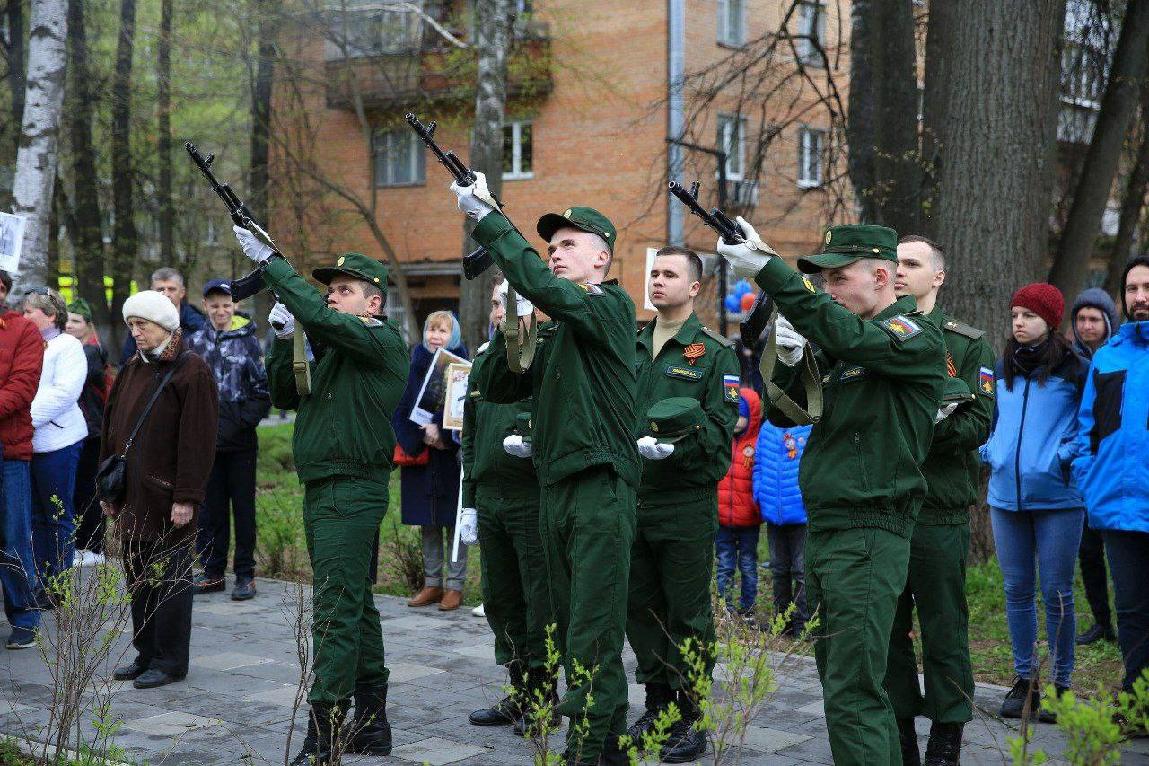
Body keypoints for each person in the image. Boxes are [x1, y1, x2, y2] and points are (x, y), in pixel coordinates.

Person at [718, 222, 946, 764]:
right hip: (831, 527)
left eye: (838, 279)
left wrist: (771, 271)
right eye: (823, 283)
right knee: (844, 684)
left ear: (884, 276)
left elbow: (853, 340)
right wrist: (792, 363)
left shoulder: (912, 334)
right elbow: (783, 414)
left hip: (870, 529)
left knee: (853, 691)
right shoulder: (849, 341)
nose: (829, 291)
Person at [455, 177, 638, 766]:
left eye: (567, 243)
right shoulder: (559, 322)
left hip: (598, 487)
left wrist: (491, 221)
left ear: (601, 257)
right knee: (567, 623)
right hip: (555, 489)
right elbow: (501, 384)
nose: (555, 251)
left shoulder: (608, 306)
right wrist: (517, 325)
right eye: (551, 245)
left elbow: (551, 290)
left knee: (591, 630)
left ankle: (586, 751)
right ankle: (604, 747)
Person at [234, 226, 409, 766]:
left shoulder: (380, 340)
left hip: (351, 488)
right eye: (329, 289)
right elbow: (286, 394)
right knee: (354, 604)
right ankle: (372, 723)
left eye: (344, 289)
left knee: (332, 610)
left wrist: (275, 269)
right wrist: (283, 338)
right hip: (325, 486)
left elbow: (327, 321)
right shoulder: (333, 347)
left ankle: (324, 733)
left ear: (372, 301)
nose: (332, 295)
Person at [884, 236, 995, 766]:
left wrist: (928, 425)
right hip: (884, 505)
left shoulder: (967, 344)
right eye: (895, 263)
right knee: (886, 627)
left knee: (943, 624)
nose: (900, 272)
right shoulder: (877, 336)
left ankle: (947, 733)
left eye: (911, 264)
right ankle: (900, 728)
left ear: (938, 277)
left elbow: (980, 420)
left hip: (937, 506)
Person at [626, 246, 739, 763]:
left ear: (694, 287)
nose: (657, 281)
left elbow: (721, 435)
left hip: (683, 501)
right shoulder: (629, 343)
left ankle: (692, 716)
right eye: (653, 272)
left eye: (669, 274)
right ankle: (656, 706)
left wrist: (679, 448)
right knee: (640, 608)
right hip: (631, 498)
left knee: (687, 613)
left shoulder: (714, 353)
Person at [101, 290, 219, 689]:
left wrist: (187, 496)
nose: (136, 332)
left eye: (143, 325)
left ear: (165, 327)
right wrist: (108, 489)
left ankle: (170, 660)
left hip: (168, 496)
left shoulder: (192, 370)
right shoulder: (132, 366)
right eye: (131, 325)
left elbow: (198, 441)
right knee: (137, 578)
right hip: (131, 495)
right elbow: (111, 430)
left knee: (170, 579)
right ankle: (146, 653)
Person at [981, 282, 1086, 720]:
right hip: (1006, 496)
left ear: (1050, 321)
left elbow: (1088, 426)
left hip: (1059, 498)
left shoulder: (1075, 369)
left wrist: (1060, 459)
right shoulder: (1002, 366)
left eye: (1028, 316)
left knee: (1056, 592)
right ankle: (1026, 681)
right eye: (1015, 315)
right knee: (1016, 590)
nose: (1018, 323)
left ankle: (1061, 684)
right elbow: (988, 418)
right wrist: (991, 453)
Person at [462, 277, 555, 735]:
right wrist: (470, 502)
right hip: (493, 498)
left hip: (532, 497)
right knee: (500, 601)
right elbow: (471, 435)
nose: (500, 311)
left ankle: (544, 696)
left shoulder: (545, 356)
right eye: (497, 303)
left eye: (508, 303)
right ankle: (519, 689)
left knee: (539, 601)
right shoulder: (485, 360)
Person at [1072, 256, 1149, 706]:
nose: (1141, 297)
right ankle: (1138, 702)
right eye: (1133, 289)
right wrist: (1089, 480)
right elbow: (1087, 430)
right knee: (1133, 613)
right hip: (1119, 510)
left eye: (1148, 287)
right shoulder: (1108, 357)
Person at [186, 279, 271, 601]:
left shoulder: (249, 341)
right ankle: (212, 570)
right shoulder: (195, 342)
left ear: (234, 306)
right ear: (205, 306)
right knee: (210, 509)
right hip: (207, 442)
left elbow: (262, 391)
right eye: (214, 305)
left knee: (243, 509)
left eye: (226, 305)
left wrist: (241, 422)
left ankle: (246, 573)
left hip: (240, 442)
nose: (220, 311)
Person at [394, 311, 468, 611]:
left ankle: (455, 585)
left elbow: (467, 407)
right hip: (423, 457)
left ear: (455, 335)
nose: (436, 336)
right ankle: (432, 582)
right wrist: (421, 433)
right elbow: (402, 406)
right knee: (429, 521)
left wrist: (443, 430)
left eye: (443, 331)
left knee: (455, 522)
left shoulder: (462, 365)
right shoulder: (414, 363)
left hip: (451, 458)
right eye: (432, 329)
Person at [23, 288, 87, 593]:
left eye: (28, 311)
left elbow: (64, 393)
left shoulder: (68, 346)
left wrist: (25, 419)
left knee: (58, 513)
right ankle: (41, 581)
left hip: (58, 441)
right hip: (29, 443)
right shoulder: (29, 345)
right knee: (36, 516)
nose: (23, 316)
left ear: (49, 315)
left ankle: (59, 584)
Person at [1068, 287, 1119, 647]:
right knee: (1088, 551)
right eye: (1081, 319)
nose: (1087, 326)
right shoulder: (1067, 361)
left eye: (1094, 319)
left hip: (1116, 469)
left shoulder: (1118, 358)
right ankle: (1102, 620)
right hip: (1084, 470)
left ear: (1107, 322)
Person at [0, 270, 45, 649]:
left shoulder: (24, 332)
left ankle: (25, 616)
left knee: (13, 536)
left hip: (8, 451)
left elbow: (22, 386)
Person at [752, 416, 810, 636]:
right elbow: (757, 464)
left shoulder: (808, 427)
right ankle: (781, 622)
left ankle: (802, 624)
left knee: (801, 570)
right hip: (773, 514)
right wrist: (759, 492)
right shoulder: (767, 428)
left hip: (801, 514)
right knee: (778, 569)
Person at [65, 298, 110, 568]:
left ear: (88, 326)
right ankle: (83, 544)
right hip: (83, 430)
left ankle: (93, 546)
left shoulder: (90, 352)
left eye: (76, 321)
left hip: (92, 431)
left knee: (90, 489)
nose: (70, 325)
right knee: (81, 489)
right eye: (68, 320)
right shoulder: (78, 348)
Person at [717, 387, 765, 618]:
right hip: (723, 518)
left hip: (748, 520)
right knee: (724, 563)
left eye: (741, 415)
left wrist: (758, 508)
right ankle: (723, 606)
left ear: (752, 415)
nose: (735, 421)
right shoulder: (722, 441)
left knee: (747, 564)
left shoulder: (757, 444)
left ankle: (748, 608)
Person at [120, 267, 206, 365]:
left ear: (182, 292)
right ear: (152, 292)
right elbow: (126, 364)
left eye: (171, 289)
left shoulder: (197, 325)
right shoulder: (139, 323)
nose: (166, 294)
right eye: (160, 289)